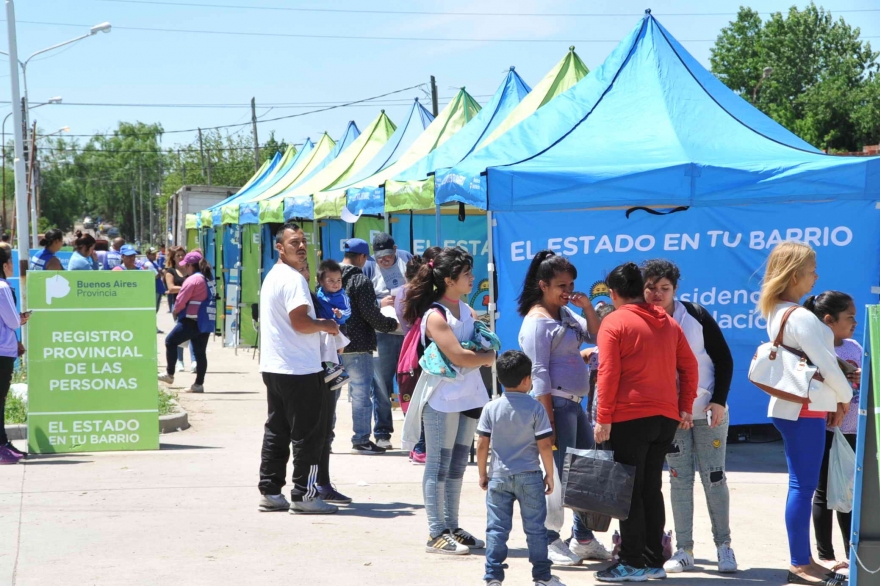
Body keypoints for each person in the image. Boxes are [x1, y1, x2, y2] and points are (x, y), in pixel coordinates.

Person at [593, 262, 698, 583]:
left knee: (631, 492)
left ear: (613, 293)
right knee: (651, 489)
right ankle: (653, 561)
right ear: (642, 289)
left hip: (629, 417)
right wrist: (685, 407)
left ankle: (632, 562)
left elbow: (608, 373)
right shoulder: (667, 321)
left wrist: (603, 417)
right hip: (665, 419)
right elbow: (690, 366)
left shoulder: (613, 322)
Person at [758, 243, 853, 586]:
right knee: (803, 486)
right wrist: (845, 397)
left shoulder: (780, 310)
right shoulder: (798, 315)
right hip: (804, 409)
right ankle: (801, 562)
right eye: (813, 269)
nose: (817, 275)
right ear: (796, 274)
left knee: (803, 486)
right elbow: (826, 365)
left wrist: (837, 398)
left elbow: (819, 362)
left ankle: (804, 559)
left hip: (798, 408)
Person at [640, 259, 738, 575]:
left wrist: (719, 401)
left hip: (707, 412)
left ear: (675, 289)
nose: (657, 294)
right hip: (671, 417)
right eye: (651, 288)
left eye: (664, 289)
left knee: (714, 478)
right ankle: (684, 550)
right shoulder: (639, 319)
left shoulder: (695, 315)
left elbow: (723, 359)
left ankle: (724, 547)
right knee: (679, 480)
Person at [516, 250, 610, 565]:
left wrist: (585, 307)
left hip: (574, 406)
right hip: (553, 407)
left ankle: (582, 538)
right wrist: (547, 420)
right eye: (560, 285)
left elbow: (595, 333)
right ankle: (547, 539)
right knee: (554, 476)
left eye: (571, 283)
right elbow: (538, 374)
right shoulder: (537, 322)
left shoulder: (566, 313)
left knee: (584, 473)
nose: (567, 290)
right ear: (543, 285)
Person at [402, 247, 495, 555]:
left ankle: (451, 526)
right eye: (466, 274)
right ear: (448, 280)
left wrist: (480, 356)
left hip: (469, 395)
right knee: (438, 466)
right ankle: (435, 533)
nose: (472, 277)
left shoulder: (466, 309)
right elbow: (457, 355)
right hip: (441, 398)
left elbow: (473, 349)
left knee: (457, 465)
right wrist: (487, 357)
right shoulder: (434, 315)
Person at [257, 222, 339, 515]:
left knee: (277, 430)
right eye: (294, 242)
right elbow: (301, 323)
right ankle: (305, 494)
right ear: (280, 248)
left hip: (276, 366)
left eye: (303, 241)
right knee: (310, 435)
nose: (301, 247)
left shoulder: (274, 276)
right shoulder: (292, 280)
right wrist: (327, 325)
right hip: (299, 369)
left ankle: (270, 491)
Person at [477, 350, 564, 586]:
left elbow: (482, 444)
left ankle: (493, 577)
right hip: (530, 476)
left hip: (499, 477)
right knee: (536, 529)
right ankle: (542, 577)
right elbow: (545, 445)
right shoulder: (536, 408)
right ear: (527, 380)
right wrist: (550, 475)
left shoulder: (491, 408)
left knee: (496, 528)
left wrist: (483, 473)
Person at [805, 291, 860, 576]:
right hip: (827, 432)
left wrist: (861, 376)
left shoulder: (853, 346)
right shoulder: (816, 351)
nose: (855, 322)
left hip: (853, 432)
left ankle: (853, 554)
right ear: (829, 320)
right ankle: (826, 555)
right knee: (825, 492)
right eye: (849, 317)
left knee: (849, 493)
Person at [339, 238, 398, 454]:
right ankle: (361, 440)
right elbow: (370, 313)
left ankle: (325, 439)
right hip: (358, 346)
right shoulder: (360, 281)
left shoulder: (327, 277)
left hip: (332, 346)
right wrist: (392, 325)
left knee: (330, 396)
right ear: (363, 257)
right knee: (361, 396)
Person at [396, 246, 442, 464]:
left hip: (409, 351)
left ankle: (417, 446)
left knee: (415, 400)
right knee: (425, 401)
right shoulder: (428, 302)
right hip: (422, 352)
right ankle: (422, 447)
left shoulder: (402, 295)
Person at [369, 233, 412, 442]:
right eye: (379, 257)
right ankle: (382, 431)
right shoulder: (369, 267)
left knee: (408, 382)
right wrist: (380, 302)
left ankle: (411, 431)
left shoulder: (407, 259)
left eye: (387, 256)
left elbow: (421, 287)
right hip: (382, 333)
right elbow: (363, 299)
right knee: (381, 384)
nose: (383, 261)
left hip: (406, 332)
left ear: (395, 250)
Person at [158, 251, 216, 394]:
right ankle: (198, 385)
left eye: (186, 266)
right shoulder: (207, 278)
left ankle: (169, 374)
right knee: (200, 352)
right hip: (205, 320)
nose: (185, 268)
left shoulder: (192, 280)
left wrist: (176, 311)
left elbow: (181, 299)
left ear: (191, 265)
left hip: (191, 320)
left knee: (170, 341)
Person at [0, 247, 27, 464]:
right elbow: (13, 321)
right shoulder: (2, 288)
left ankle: (3, 442)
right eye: (10, 261)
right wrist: (22, 318)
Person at [164, 246, 196, 372]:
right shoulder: (171, 272)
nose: (181, 257)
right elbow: (171, 288)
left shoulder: (190, 270)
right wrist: (189, 287)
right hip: (178, 304)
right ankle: (180, 361)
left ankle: (194, 361)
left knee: (194, 332)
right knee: (180, 333)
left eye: (183, 255)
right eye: (178, 255)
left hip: (192, 304)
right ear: (173, 258)